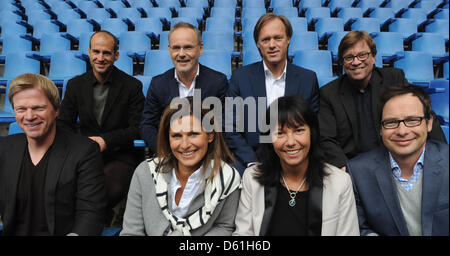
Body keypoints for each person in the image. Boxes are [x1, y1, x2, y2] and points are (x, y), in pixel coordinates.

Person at [318, 30, 446, 171]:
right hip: (352, 165)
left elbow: (423, 113)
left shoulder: (393, 78)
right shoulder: (329, 93)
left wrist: (442, 155)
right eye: (349, 57)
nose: (356, 62)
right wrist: (345, 169)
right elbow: (326, 139)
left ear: (373, 57)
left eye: (362, 55)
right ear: (342, 62)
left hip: (394, 161)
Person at [234, 95, 359, 236]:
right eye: (280, 133)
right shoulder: (252, 178)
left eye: (299, 130)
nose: (290, 142)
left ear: (312, 132)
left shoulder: (340, 182)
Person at [0, 73, 106, 236]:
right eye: (21, 109)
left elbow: (90, 214)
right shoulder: (5, 148)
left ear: (56, 110)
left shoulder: (84, 151)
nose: (29, 116)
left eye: (38, 108)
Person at [57, 30, 145, 220]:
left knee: (105, 189)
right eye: (96, 52)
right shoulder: (75, 85)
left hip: (121, 155)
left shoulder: (132, 86)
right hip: (84, 153)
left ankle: (93, 222)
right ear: (89, 53)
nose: (100, 58)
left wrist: (106, 141)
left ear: (116, 55)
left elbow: (137, 128)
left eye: (106, 53)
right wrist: (83, 145)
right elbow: (64, 124)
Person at [121, 97, 241, 236]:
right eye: (176, 136)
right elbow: (131, 232)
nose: (184, 145)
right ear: (168, 138)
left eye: (193, 134)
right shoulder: (145, 172)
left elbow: (224, 226)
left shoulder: (227, 178)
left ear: (210, 136)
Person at [347, 85, 449, 236]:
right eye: (391, 122)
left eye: (412, 120)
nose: (402, 131)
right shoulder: (358, 171)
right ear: (381, 129)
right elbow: (359, 228)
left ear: (429, 123)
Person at [225, 13, 320, 174]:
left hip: (296, 156)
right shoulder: (240, 77)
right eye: (265, 39)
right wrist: (251, 161)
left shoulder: (307, 78)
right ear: (258, 44)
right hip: (252, 159)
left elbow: (314, 126)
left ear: (288, 39)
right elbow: (230, 127)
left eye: (278, 38)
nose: (272, 45)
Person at [140, 22, 228, 155]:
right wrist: (166, 151)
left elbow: (223, 125)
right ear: (169, 50)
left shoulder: (218, 82)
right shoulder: (158, 84)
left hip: (207, 155)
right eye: (176, 48)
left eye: (188, 47)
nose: (181, 54)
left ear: (200, 48)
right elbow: (147, 126)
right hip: (168, 155)